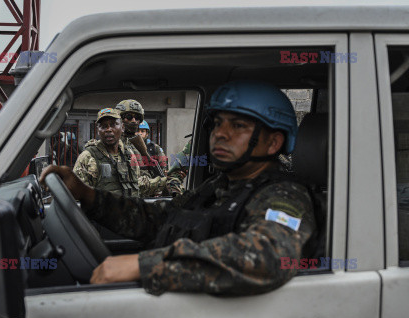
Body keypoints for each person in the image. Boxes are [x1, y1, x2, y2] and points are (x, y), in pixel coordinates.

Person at [41, 80, 316, 296]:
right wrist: (88, 195)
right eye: (218, 123)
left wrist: (145, 265)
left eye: (239, 125)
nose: (220, 133)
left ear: (273, 143)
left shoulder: (284, 195)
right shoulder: (220, 186)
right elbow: (161, 218)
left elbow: (267, 257)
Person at [73, 108, 140, 196]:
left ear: (122, 127)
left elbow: (138, 184)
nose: (108, 129)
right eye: (103, 126)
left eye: (113, 125)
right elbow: (76, 194)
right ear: (98, 130)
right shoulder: (88, 157)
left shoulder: (129, 154)